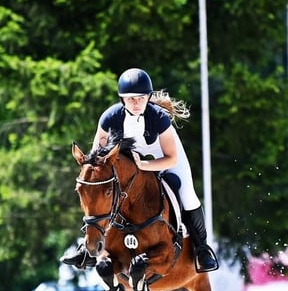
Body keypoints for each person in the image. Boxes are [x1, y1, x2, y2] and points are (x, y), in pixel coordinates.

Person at [62, 67, 219, 273]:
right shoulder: (109, 118)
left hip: (162, 156)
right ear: (122, 99)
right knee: (97, 193)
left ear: (148, 97)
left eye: (140, 98)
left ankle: (202, 248)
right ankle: (86, 247)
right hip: (130, 161)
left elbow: (171, 158)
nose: (136, 103)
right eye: (130, 99)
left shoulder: (159, 118)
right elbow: (97, 157)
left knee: (188, 195)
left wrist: (144, 165)